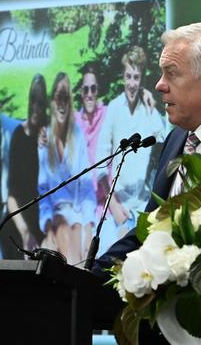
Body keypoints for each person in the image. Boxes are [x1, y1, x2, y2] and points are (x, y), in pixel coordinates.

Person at [93, 20, 201, 345]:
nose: (160, 85)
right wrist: (88, 275)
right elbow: (149, 231)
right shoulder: (177, 139)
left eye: (171, 73)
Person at [94, 45, 167, 256]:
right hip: (117, 207)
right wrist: (115, 207)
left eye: (136, 77)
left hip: (144, 204)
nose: (132, 83)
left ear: (141, 79)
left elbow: (165, 138)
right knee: (110, 259)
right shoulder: (114, 109)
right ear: (123, 76)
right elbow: (100, 163)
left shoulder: (149, 109)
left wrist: (151, 103)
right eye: (128, 76)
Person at [38, 72, 96, 264]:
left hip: (77, 214)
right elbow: (43, 191)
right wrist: (47, 227)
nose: (61, 104)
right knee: (62, 228)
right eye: (58, 98)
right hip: (57, 216)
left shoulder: (78, 136)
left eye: (65, 98)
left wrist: (88, 229)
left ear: (70, 102)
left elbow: (87, 187)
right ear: (52, 102)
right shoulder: (44, 139)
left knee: (78, 232)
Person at [3, 74, 48, 257]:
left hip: (43, 217)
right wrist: (25, 232)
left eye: (41, 103)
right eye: (33, 102)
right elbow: (11, 198)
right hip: (19, 219)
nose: (37, 108)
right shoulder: (18, 135)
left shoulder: (48, 134)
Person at [73, 65, 107, 258]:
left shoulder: (108, 114)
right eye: (86, 89)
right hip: (80, 203)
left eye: (93, 89)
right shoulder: (74, 119)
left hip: (103, 204)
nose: (89, 94)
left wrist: (144, 94)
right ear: (81, 92)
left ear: (98, 91)